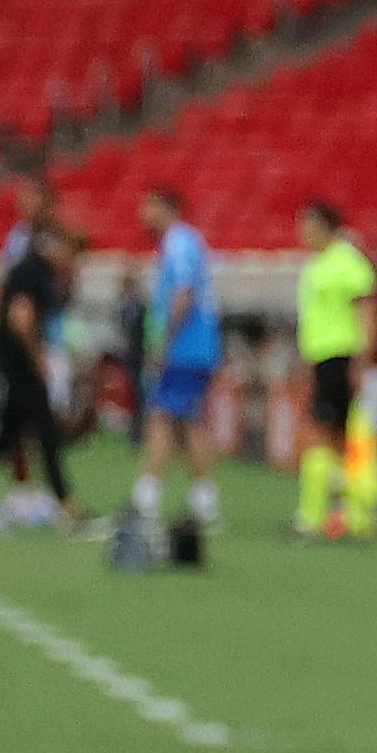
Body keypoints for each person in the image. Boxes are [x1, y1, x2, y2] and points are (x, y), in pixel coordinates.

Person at [0, 217, 80, 522]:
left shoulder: (26, 268)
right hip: (20, 361)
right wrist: (38, 357)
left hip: (11, 357)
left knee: (10, 430)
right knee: (44, 430)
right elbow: (22, 317)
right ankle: (65, 500)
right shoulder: (37, 272)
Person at [131, 187, 224, 535]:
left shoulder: (179, 242)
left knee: (163, 419)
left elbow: (183, 294)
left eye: (149, 206)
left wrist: (163, 342)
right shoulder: (181, 242)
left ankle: (147, 498)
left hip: (185, 349)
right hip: (192, 349)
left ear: (166, 207)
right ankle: (203, 501)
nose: (143, 214)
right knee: (186, 423)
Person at [294, 201, 377, 539]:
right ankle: (341, 512)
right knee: (330, 435)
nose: (303, 232)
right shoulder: (317, 265)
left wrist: (361, 360)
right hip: (322, 358)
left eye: (308, 225)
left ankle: (342, 513)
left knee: (332, 435)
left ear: (326, 227)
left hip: (341, 356)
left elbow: (366, 311)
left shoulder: (346, 262)